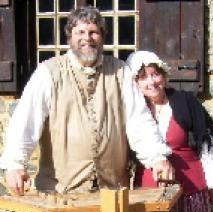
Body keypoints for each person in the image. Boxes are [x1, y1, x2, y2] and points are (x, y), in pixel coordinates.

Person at [0, 6, 172, 196]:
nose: (87, 38)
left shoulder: (120, 72)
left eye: (93, 32)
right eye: (80, 32)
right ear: (69, 37)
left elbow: (138, 120)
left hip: (113, 192)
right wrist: (15, 164)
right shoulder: (48, 72)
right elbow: (26, 121)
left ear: (102, 37)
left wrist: (157, 158)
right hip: (61, 193)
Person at [126, 51, 213, 212]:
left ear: (164, 75)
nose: (151, 82)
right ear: (135, 83)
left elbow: (207, 143)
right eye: (143, 78)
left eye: (155, 75)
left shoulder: (185, 101)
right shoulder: (133, 112)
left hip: (190, 189)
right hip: (150, 193)